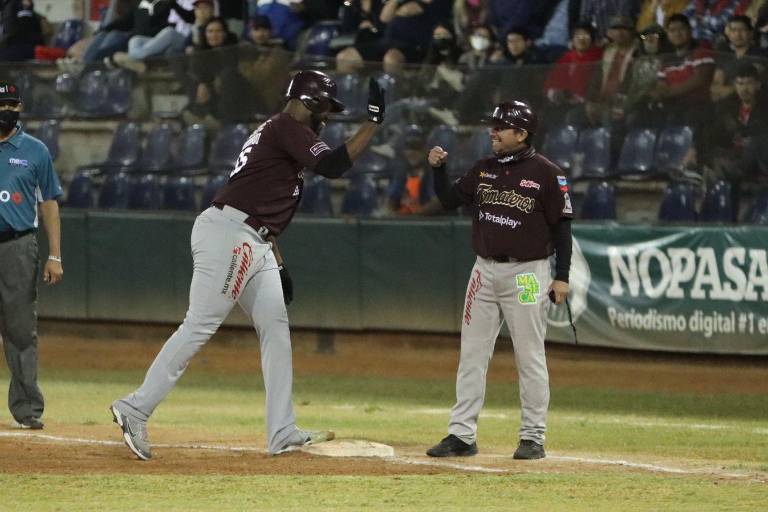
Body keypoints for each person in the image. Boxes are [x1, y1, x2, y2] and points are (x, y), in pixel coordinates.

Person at [109, 70, 386, 460]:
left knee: (276, 330)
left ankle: (282, 431)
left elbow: (261, 202)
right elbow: (334, 165)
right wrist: (373, 122)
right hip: (231, 235)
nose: (327, 116)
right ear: (308, 101)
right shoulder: (287, 126)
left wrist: (278, 263)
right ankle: (135, 408)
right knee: (199, 325)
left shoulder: (282, 133)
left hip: (254, 238)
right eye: (325, 107)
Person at [425, 100, 573, 460]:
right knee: (472, 353)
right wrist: (438, 170)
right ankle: (461, 434)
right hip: (484, 271)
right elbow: (448, 199)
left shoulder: (548, 173)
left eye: (500, 127)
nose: (492, 131)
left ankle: (533, 437)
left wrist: (562, 277)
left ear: (521, 134)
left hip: (528, 273)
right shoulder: (484, 169)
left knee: (530, 354)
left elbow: (562, 227)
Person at [0, 81, 64, 430]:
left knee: (20, 330)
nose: (5, 110)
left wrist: (55, 255)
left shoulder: (35, 151)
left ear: (20, 108)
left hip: (18, 245)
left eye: (11, 104)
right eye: (1, 104)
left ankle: (26, 409)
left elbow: (49, 204)